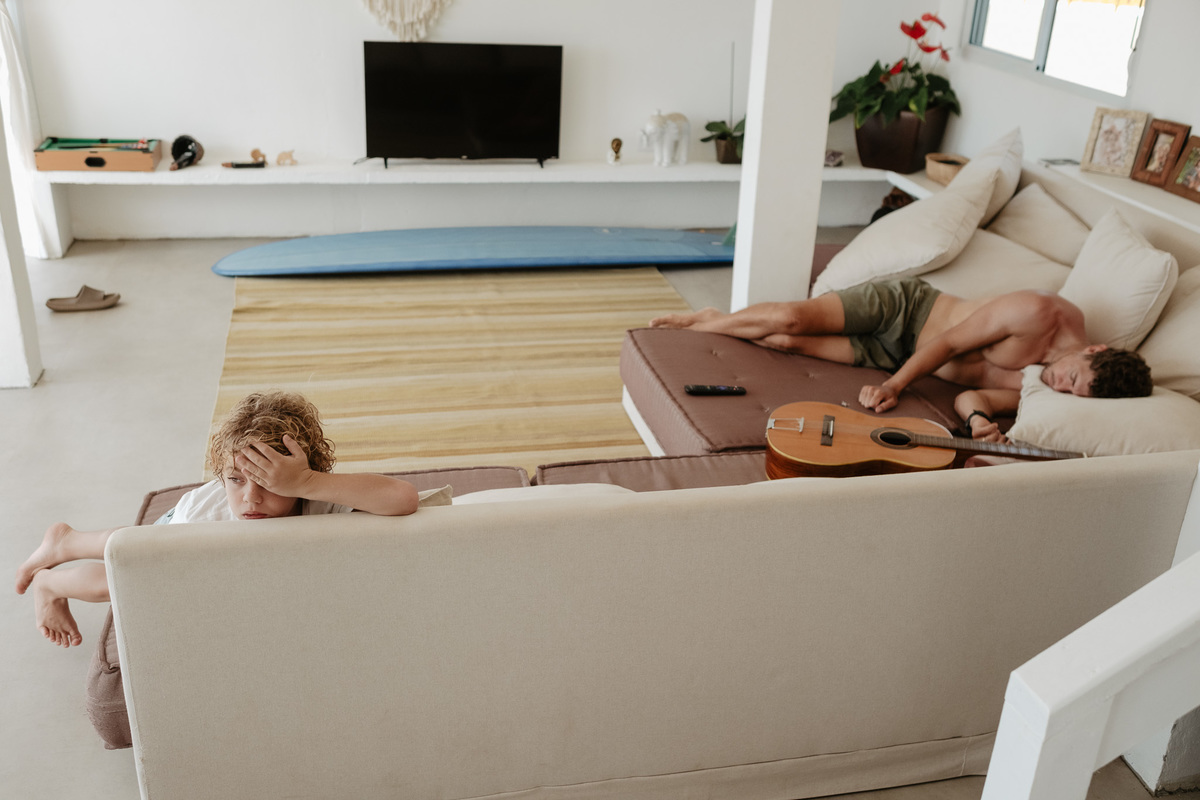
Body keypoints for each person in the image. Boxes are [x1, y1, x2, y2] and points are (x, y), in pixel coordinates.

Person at [15, 390, 420, 648]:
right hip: (186, 524)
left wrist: (306, 483)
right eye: (236, 480)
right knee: (123, 570)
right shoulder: (205, 513)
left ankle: (67, 540)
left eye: (271, 483)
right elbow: (138, 562)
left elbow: (403, 499)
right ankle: (52, 580)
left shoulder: (315, 492)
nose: (251, 498)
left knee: (132, 543)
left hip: (245, 504)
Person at [649, 277, 1153, 441]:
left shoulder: (1049, 392)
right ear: (1094, 350)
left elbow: (976, 397)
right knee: (792, 319)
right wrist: (894, 386)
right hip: (908, 310)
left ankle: (713, 318)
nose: (1059, 384)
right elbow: (948, 344)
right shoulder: (1040, 312)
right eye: (1072, 377)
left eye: (1071, 392)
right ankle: (705, 322)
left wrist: (979, 422)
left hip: (897, 354)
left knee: (784, 343)